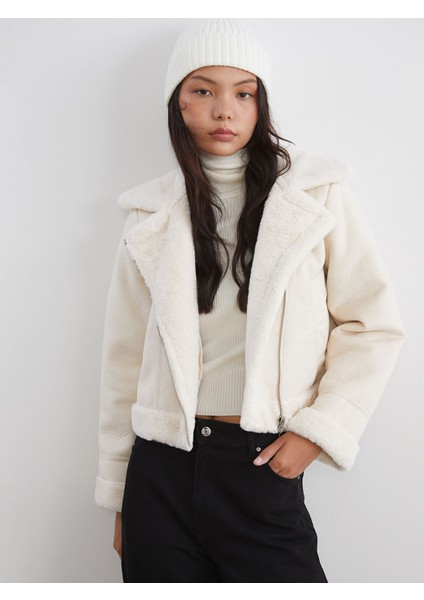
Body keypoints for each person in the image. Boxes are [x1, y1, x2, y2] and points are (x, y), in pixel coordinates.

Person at [94, 18, 406, 583]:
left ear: (261, 106)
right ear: (178, 104)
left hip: (260, 463)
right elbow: (125, 362)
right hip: (160, 472)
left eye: (243, 94)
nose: (224, 111)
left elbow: (372, 324)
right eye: (203, 91)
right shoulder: (148, 214)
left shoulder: (314, 194)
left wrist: (318, 430)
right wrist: (120, 494)